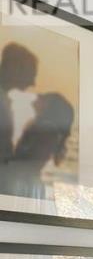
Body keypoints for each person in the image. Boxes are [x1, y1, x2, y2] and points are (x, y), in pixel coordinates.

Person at [0, 42, 74, 202]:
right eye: (31, 73)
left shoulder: (44, 131)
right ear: (15, 69)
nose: (33, 84)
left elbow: (21, 164)